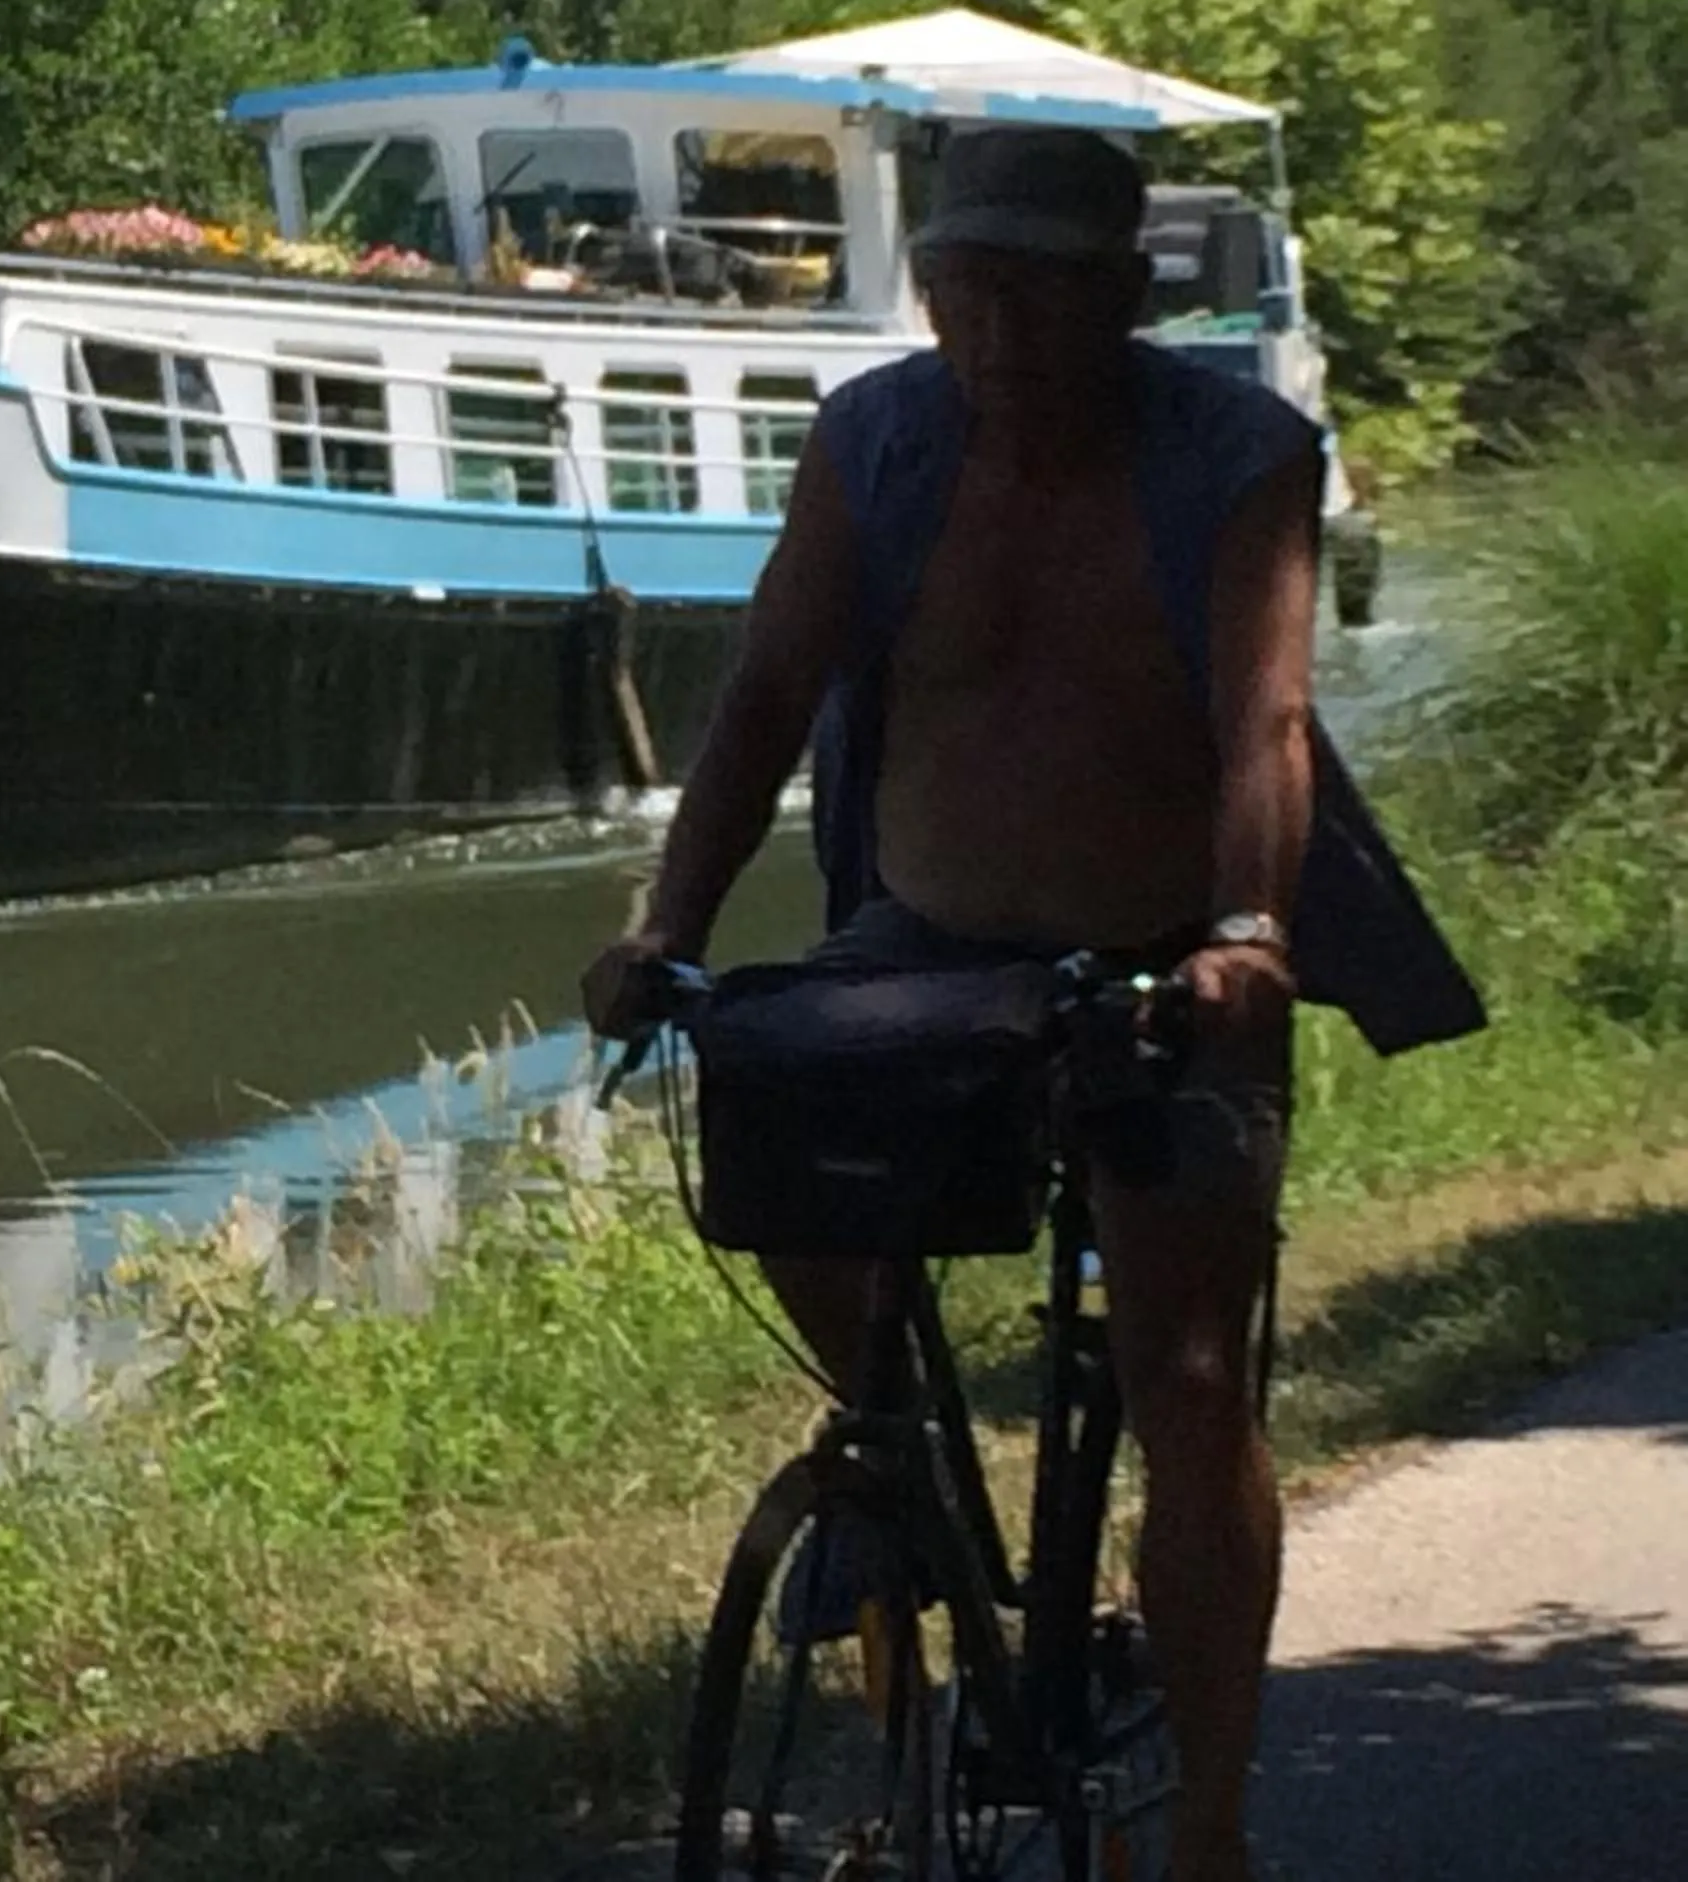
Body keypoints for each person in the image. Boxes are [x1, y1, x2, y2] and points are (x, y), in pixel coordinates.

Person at [584, 125, 1481, 1882]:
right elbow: (770, 685)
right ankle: (886, 1462)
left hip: (1172, 958)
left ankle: (1209, 1825)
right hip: (925, 930)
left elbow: (1266, 726)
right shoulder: (875, 442)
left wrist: (1243, 929)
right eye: (960, 293)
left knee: (1190, 1370)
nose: (993, 334)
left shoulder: (1238, 454)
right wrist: (662, 926)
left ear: (1124, 297)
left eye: (1036, 294)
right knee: (767, 1098)